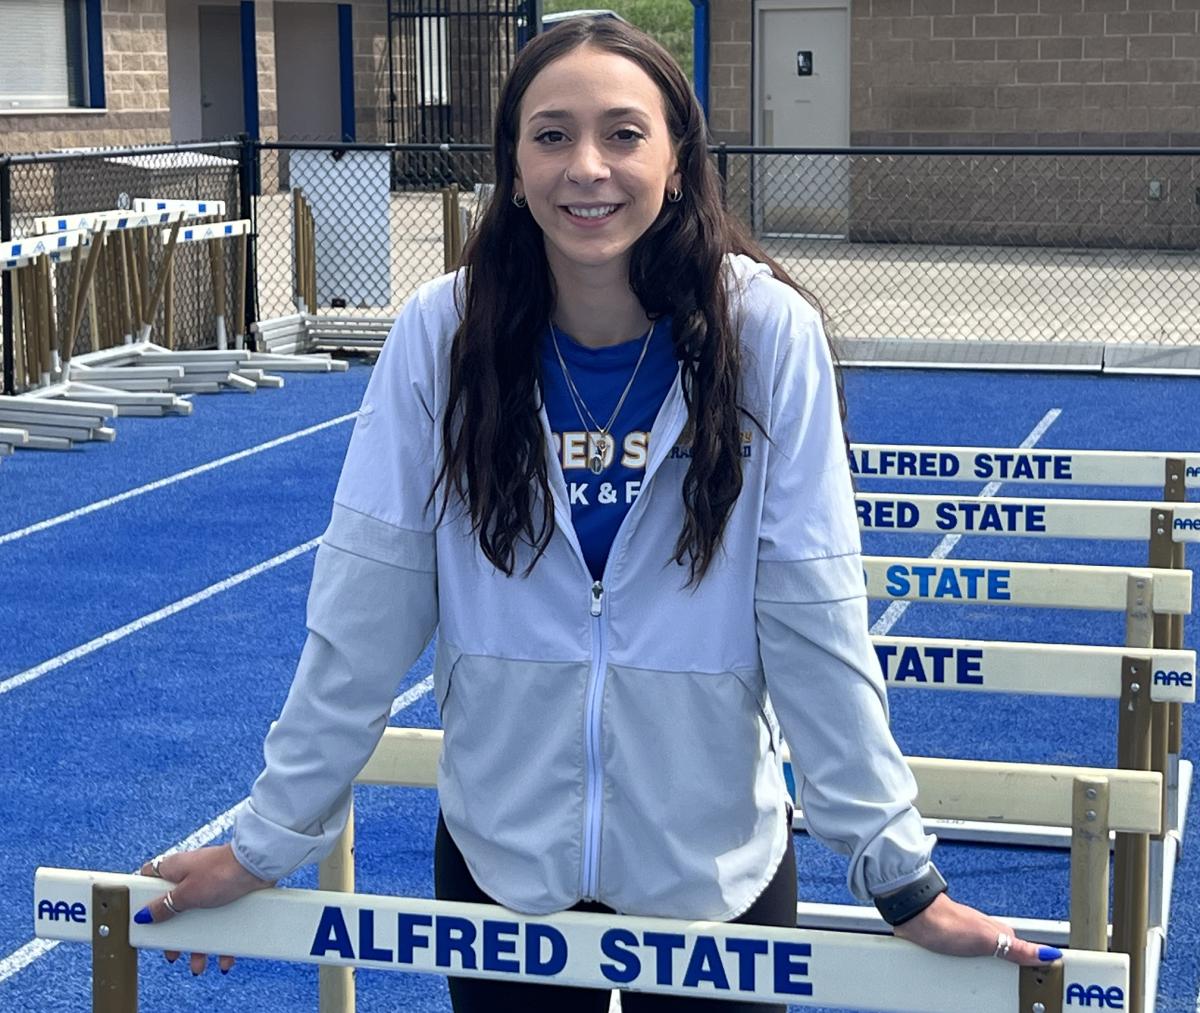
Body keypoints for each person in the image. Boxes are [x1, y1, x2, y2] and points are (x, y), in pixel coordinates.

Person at [135, 16, 1059, 1011]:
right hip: (503, 866)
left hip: (713, 876)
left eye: (623, 133)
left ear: (677, 155)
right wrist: (269, 842)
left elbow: (812, 613)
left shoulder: (767, 337)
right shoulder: (439, 337)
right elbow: (364, 605)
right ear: (512, 162)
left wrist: (901, 876)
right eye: (551, 135)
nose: (588, 167)